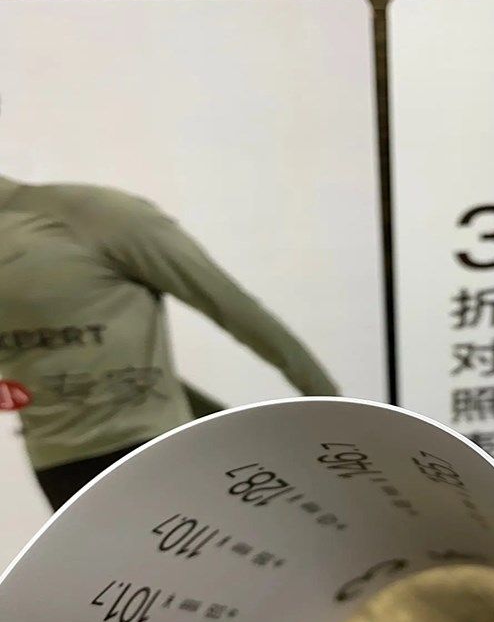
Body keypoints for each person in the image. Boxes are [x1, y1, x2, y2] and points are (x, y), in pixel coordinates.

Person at [0, 174, 339, 511]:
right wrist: (338, 418)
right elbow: (234, 310)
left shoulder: (89, 215)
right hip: (107, 461)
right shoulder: (95, 213)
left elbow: (233, 310)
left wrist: (332, 412)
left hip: (96, 464)